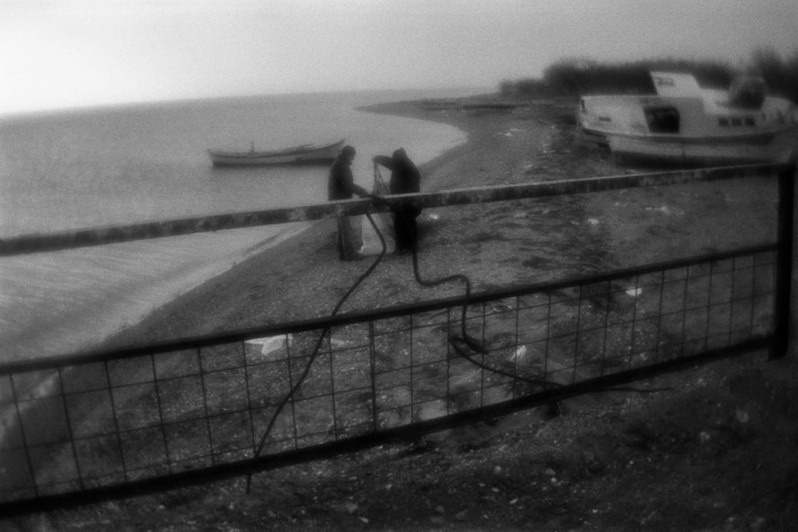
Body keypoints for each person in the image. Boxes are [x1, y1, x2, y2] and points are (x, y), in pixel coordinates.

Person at [328, 145, 374, 261]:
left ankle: (341, 251)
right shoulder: (341, 166)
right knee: (345, 227)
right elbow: (349, 186)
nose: (353, 159)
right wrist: (363, 191)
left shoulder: (339, 163)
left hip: (336, 198)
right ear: (348, 155)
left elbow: (347, 185)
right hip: (340, 200)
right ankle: (350, 255)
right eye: (352, 156)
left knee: (341, 225)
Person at [372, 148, 421, 253]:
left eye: (395, 160)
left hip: (408, 203)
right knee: (401, 224)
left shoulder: (410, 170)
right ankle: (404, 246)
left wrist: (403, 199)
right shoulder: (401, 165)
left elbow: (413, 188)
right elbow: (389, 163)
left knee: (406, 223)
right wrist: (378, 158)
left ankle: (410, 246)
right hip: (401, 202)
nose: (394, 162)